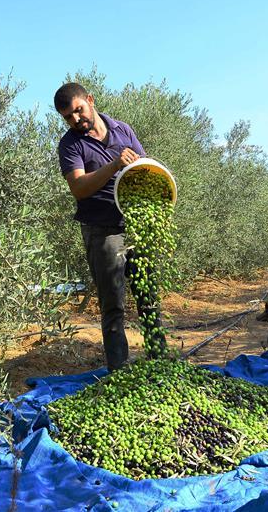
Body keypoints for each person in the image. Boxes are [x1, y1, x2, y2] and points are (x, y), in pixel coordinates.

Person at [56, 82, 161, 371]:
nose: (76, 119)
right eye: (68, 117)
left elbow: (143, 165)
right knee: (113, 304)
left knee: (148, 296)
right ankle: (120, 373)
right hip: (102, 229)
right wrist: (114, 165)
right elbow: (78, 187)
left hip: (135, 224)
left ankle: (160, 361)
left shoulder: (123, 130)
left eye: (78, 110)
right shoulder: (70, 144)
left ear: (90, 100)